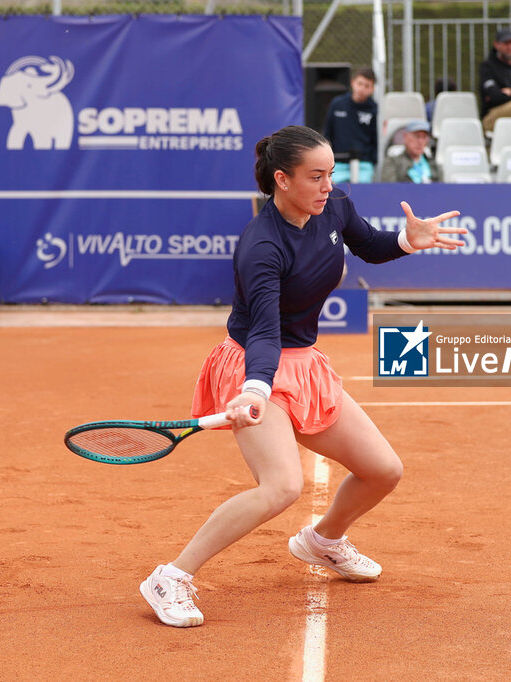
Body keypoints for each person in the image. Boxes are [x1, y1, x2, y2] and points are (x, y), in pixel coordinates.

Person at [139, 125, 466, 628]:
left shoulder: (333, 207)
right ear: (282, 180)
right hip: (255, 364)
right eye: (316, 176)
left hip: (306, 363)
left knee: (383, 470)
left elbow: (371, 246)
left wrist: (406, 240)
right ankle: (171, 575)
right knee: (281, 486)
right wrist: (254, 388)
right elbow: (265, 333)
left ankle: (323, 540)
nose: (327, 186)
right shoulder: (261, 245)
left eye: (330, 174)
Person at [323, 67, 378, 184]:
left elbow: (376, 139)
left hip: (364, 165)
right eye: (360, 84)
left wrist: (371, 160)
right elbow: (328, 133)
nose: (362, 88)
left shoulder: (375, 109)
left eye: (367, 86)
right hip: (338, 163)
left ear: (372, 89)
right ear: (353, 82)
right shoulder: (337, 104)